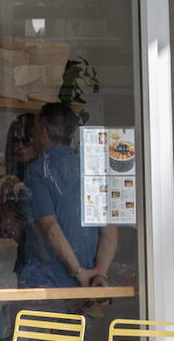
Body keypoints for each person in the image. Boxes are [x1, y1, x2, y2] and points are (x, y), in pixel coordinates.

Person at [18, 102, 117, 290]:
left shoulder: (37, 172)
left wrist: (80, 273)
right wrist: (98, 276)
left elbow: (51, 230)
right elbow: (110, 232)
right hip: (88, 287)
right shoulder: (90, 170)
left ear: (43, 132)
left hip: (52, 285)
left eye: (35, 127)